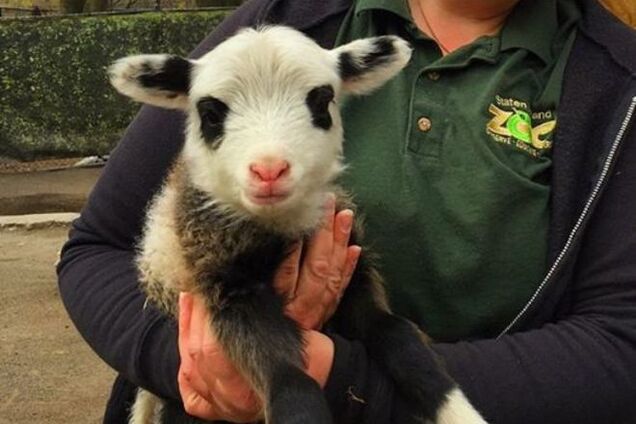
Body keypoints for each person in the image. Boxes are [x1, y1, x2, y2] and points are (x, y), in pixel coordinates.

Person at [57, 0, 636, 423]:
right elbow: (97, 247)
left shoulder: (613, 83)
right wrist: (193, 362)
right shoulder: (291, 22)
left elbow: (621, 345)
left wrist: (345, 384)